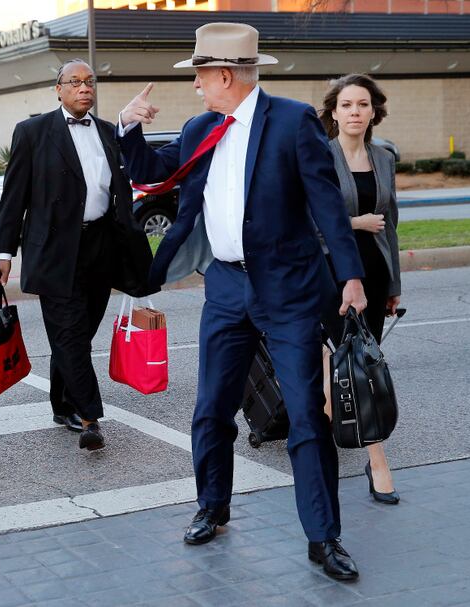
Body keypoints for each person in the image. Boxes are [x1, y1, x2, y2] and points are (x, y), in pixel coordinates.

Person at [118, 23, 366, 580]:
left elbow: (327, 204)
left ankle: (324, 538)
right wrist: (129, 127)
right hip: (226, 287)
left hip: (290, 289)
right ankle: (213, 504)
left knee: (305, 416)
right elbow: (152, 174)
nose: (197, 87)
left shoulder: (292, 120)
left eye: (201, 77)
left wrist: (350, 276)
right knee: (211, 407)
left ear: (224, 75)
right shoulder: (201, 125)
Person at [0, 59, 152, 451]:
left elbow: (120, 189)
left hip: (100, 246)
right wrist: (3, 252)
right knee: (68, 333)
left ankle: (62, 402)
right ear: (58, 89)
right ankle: (90, 418)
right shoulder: (32, 132)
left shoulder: (105, 132)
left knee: (79, 334)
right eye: (75, 82)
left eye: (89, 81)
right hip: (54, 250)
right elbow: (13, 198)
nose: (84, 88)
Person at [319, 73, 401, 505]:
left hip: (373, 273)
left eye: (363, 104)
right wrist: (354, 223)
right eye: (347, 104)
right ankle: (377, 459)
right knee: (355, 367)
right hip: (331, 273)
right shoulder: (320, 156)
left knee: (353, 362)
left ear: (373, 112)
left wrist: (395, 284)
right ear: (334, 112)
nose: (355, 112)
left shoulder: (384, 158)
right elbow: (306, 222)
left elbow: (392, 226)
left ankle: (337, 424)